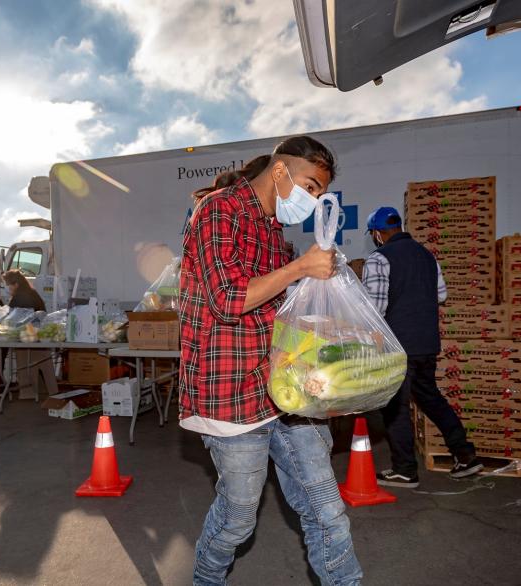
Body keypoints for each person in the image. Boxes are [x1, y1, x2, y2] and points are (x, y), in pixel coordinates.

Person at [179, 137, 363, 586]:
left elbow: (280, 310)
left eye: (321, 194)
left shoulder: (271, 229)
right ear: (280, 171)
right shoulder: (218, 210)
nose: (313, 200)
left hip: (284, 391)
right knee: (239, 517)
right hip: (230, 393)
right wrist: (300, 268)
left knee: (327, 510)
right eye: (311, 186)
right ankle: (206, 581)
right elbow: (229, 299)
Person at [361, 206, 483, 487]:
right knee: (430, 397)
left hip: (397, 346)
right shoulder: (428, 256)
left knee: (394, 407)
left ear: (378, 234)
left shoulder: (379, 258)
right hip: (427, 343)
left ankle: (405, 469)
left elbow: (375, 308)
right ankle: (465, 456)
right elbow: (441, 295)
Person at [1, 269, 54, 399]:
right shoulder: (32, 293)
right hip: (38, 336)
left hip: (26, 337)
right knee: (44, 365)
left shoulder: (19, 297)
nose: (7, 288)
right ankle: (51, 391)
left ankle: (28, 393)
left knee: (25, 364)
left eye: (8, 284)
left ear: (15, 284)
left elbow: (14, 320)